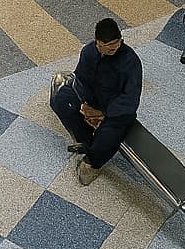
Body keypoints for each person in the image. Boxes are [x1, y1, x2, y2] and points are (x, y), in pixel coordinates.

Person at [50, 18, 141, 186]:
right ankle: (84, 139)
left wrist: (104, 114)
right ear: (98, 43)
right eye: (107, 46)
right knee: (61, 99)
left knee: (113, 131)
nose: (113, 49)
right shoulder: (88, 52)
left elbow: (131, 99)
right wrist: (85, 105)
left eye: (116, 44)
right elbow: (81, 80)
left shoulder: (131, 62)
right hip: (92, 100)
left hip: (115, 109)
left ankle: (92, 162)